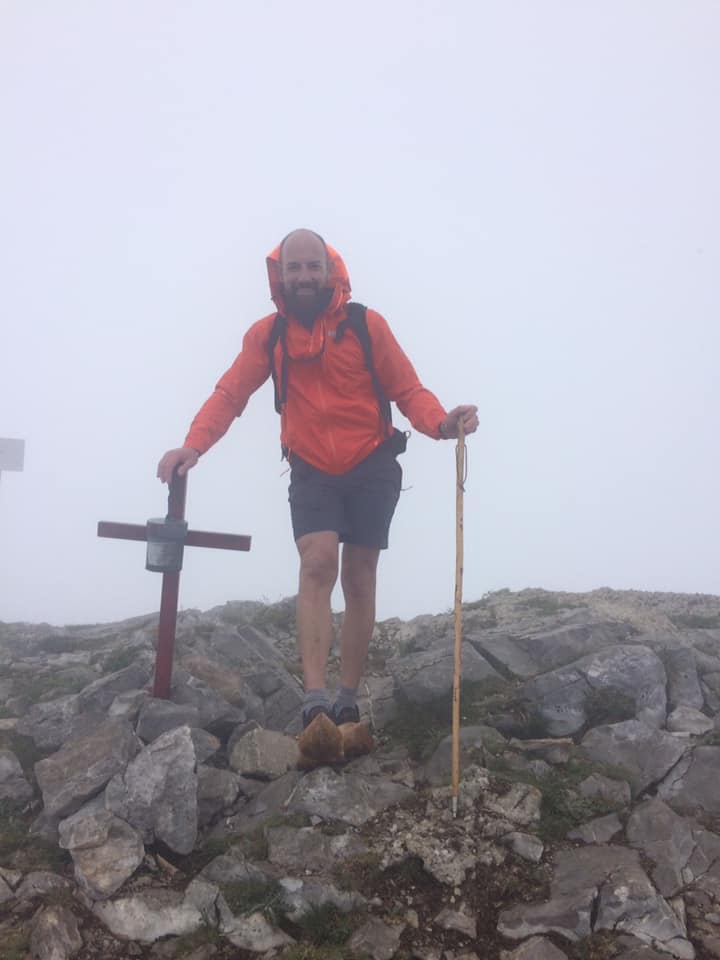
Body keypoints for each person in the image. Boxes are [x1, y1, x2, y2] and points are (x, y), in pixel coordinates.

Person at [157, 229, 478, 729]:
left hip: (372, 462)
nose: (304, 277)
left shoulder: (366, 325)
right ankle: (315, 703)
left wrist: (440, 424)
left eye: (312, 267)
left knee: (359, 573)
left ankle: (348, 700)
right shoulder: (269, 336)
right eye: (294, 268)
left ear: (330, 271)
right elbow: (229, 395)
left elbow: (407, 388)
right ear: (280, 275)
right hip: (311, 467)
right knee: (318, 563)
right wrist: (193, 445)